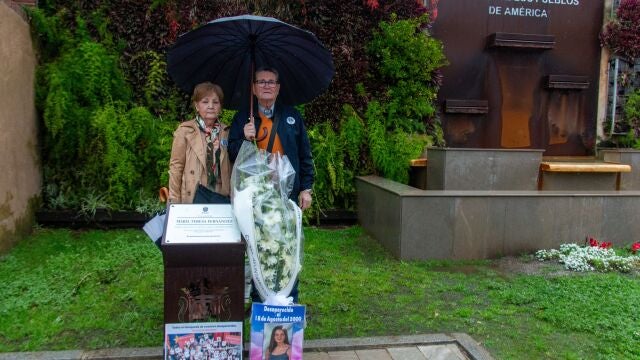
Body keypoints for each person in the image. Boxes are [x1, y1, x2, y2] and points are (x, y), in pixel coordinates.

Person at [229, 67, 314, 304]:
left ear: (278, 88)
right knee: (261, 249)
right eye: (261, 81)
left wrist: (306, 188)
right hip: (254, 198)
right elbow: (232, 155)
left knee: (287, 248)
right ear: (253, 88)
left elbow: (304, 154)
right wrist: (244, 138)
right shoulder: (242, 118)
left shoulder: (292, 116)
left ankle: (288, 301)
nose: (266, 85)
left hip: (286, 194)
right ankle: (260, 303)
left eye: (271, 82)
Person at [169, 82, 231, 204]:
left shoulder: (227, 132)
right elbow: (176, 167)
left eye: (215, 102)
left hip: (220, 198)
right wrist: (174, 202)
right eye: (205, 102)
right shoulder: (185, 131)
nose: (211, 106)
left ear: (220, 107)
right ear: (197, 106)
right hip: (193, 197)